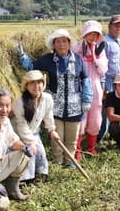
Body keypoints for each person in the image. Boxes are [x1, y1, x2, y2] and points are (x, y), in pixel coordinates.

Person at [16, 29, 93, 168]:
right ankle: (58, 161)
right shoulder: (48, 59)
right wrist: (22, 55)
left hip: (74, 105)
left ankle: (70, 162)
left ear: (69, 43)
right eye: (58, 41)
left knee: (72, 138)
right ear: (53, 45)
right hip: (55, 105)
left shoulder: (78, 59)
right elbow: (31, 67)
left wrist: (87, 99)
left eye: (64, 41)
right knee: (57, 137)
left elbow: (85, 79)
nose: (61, 44)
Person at [12, 70, 60, 182]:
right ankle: (24, 180)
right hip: (19, 135)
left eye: (39, 82)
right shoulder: (19, 103)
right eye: (32, 83)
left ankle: (39, 176)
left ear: (43, 84)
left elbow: (48, 115)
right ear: (27, 86)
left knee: (40, 153)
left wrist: (52, 130)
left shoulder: (47, 98)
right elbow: (21, 125)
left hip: (34, 132)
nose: (36, 86)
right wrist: (31, 142)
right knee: (29, 153)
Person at [72, 20, 108, 159]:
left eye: (95, 34)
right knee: (80, 118)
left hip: (95, 86)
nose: (92, 37)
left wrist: (95, 58)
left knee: (95, 117)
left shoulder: (100, 50)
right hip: (79, 86)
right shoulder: (76, 49)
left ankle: (91, 147)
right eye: (90, 34)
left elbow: (103, 70)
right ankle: (78, 149)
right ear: (85, 34)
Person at [97, 14, 120, 143]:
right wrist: (103, 86)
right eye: (116, 26)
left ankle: (113, 135)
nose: (119, 28)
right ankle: (99, 137)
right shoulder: (104, 42)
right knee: (106, 111)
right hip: (109, 80)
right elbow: (100, 65)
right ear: (110, 26)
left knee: (117, 109)